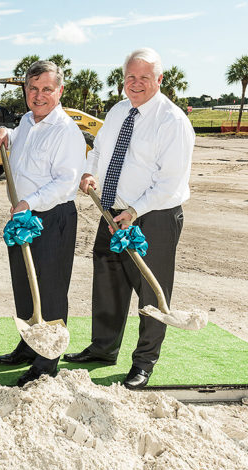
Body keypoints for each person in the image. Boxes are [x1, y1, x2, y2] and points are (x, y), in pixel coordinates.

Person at [63, 48, 195, 389]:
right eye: (130, 78)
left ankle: (144, 362)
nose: (135, 84)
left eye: (144, 78)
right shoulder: (120, 111)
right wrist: (90, 174)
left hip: (153, 217)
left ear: (160, 80)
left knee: (152, 289)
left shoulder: (173, 121)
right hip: (112, 211)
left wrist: (134, 212)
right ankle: (103, 348)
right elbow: (102, 152)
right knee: (108, 280)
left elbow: (170, 183)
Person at [0, 61, 86, 387]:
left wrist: (29, 203)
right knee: (24, 284)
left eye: (47, 89)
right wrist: (6, 132)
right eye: (33, 88)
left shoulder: (67, 131)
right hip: (23, 216)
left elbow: (65, 183)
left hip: (50, 217)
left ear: (59, 91)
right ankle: (29, 343)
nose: (39, 95)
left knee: (49, 289)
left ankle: (47, 361)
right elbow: (21, 140)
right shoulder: (27, 122)